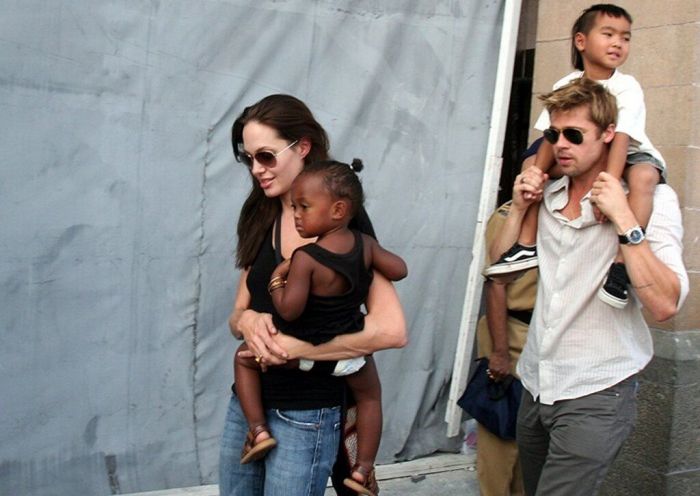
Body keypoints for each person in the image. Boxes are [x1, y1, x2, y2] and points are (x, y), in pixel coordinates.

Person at [491, 78, 687, 496]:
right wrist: (519, 208)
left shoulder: (651, 200)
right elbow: (501, 273)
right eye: (553, 135)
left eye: (574, 135)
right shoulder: (548, 194)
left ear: (609, 134)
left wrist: (624, 220)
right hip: (536, 386)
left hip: (596, 393)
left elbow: (665, 304)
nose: (561, 145)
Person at [220, 94, 407, 496]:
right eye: (248, 159)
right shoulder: (259, 213)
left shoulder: (344, 226)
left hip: (306, 414)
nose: (256, 169)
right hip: (248, 409)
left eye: (266, 156)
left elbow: (391, 330)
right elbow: (237, 314)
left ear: (302, 147)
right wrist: (247, 320)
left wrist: (297, 349)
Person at [484, 4, 666, 312]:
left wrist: (604, 189)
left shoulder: (626, 87)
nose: (618, 43)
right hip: (586, 151)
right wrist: (535, 175)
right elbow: (549, 137)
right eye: (608, 34)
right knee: (533, 168)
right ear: (581, 41)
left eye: (625, 38)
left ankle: (621, 264)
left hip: (629, 153)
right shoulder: (566, 85)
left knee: (644, 177)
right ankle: (526, 244)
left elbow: (621, 140)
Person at [476, 144, 546, 496]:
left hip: (544, 342)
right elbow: (496, 283)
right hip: (513, 338)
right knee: (501, 451)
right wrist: (500, 353)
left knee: (529, 455)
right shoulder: (509, 217)